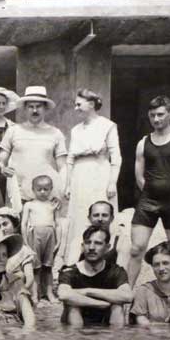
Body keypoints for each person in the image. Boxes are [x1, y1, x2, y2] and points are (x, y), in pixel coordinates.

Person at [64, 88, 121, 266]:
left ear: (91, 104)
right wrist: (67, 184)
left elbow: (116, 156)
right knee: (80, 218)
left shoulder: (108, 126)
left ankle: (105, 265)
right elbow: (70, 158)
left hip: (100, 175)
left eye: (79, 104)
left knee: (101, 217)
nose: (76, 108)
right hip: (80, 177)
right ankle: (75, 264)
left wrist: (112, 182)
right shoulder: (75, 130)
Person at [129, 95, 170, 287]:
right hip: (148, 202)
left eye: (161, 114)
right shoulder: (143, 142)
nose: (156, 119)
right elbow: (139, 176)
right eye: (153, 115)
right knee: (136, 249)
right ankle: (125, 296)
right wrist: (152, 192)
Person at [0, 86, 67, 206]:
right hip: (18, 191)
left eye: (38, 106)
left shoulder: (55, 133)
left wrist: (60, 191)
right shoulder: (13, 131)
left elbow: (63, 167)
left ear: (45, 108)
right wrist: (3, 168)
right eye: (31, 106)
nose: (34, 110)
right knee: (18, 223)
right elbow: (1, 160)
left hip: (45, 193)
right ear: (25, 108)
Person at [58, 226, 133, 327]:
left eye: (98, 243)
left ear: (107, 248)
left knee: (117, 306)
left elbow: (128, 296)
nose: (91, 247)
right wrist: (99, 304)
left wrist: (88, 291)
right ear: (82, 246)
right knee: (73, 305)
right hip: (76, 322)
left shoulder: (116, 271)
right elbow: (64, 295)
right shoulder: (70, 271)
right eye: (88, 242)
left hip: (107, 322)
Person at [21, 175, 59, 303]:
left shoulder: (52, 205)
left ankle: (49, 294)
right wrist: (25, 241)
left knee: (48, 267)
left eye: (46, 189)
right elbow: (24, 223)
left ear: (51, 189)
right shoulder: (29, 205)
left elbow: (57, 223)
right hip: (35, 235)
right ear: (33, 189)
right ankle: (34, 295)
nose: (43, 192)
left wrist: (58, 240)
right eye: (39, 189)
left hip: (50, 234)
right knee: (36, 267)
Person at [131, 242, 170, 326]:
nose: (161, 268)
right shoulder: (144, 291)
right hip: (154, 337)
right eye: (156, 265)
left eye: (165, 263)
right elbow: (141, 320)